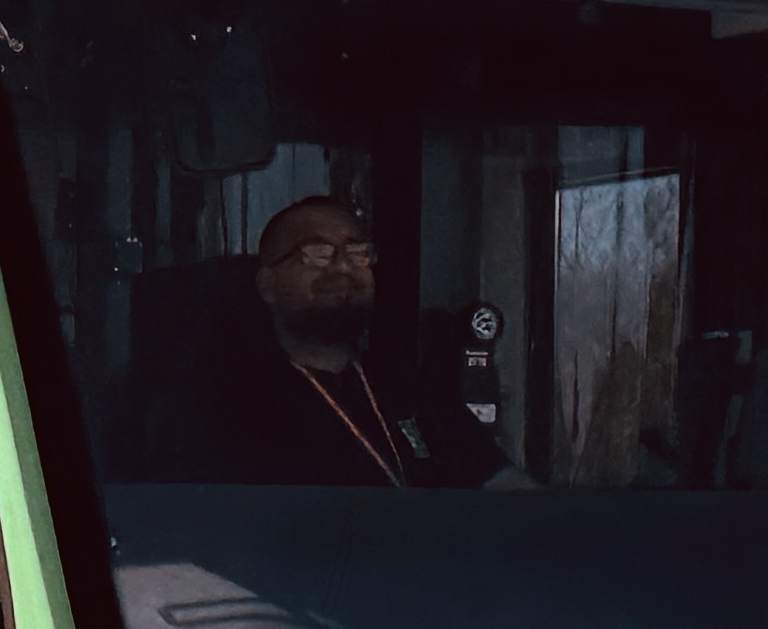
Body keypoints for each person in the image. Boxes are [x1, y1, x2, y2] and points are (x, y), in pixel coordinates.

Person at [140, 194, 501, 487]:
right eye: (316, 255)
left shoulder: (408, 387)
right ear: (268, 285)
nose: (342, 267)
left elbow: (497, 480)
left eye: (358, 254)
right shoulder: (220, 402)